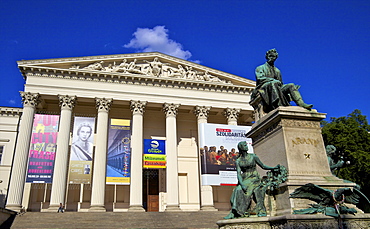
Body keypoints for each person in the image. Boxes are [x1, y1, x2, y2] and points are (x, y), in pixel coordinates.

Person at [224, 141, 279, 219]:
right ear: (241, 148)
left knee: (247, 191)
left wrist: (272, 168)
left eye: (246, 145)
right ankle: (234, 211)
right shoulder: (238, 161)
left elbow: (263, 166)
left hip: (254, 178)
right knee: (238, 190)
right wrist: (242, 184)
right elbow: (239, 174)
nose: (246, 146)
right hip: (245, 178)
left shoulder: (253, 156)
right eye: (244, 145)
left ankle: (238, 211)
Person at [251, 49, 313, 114]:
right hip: (263, 87)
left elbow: (280, 83)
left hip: (276, 86)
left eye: (273, 57)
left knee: (291, 85)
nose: (271, 58)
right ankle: (277, 104)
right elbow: (260, 78)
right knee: (273, 83)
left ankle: (301, 103)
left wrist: (287, 89)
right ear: (267, 57)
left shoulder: (277, 71)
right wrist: (272, 80)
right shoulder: (260, 67)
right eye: (270, 56)